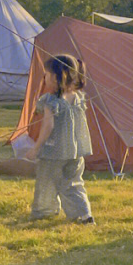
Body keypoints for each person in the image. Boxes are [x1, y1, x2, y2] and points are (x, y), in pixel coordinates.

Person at [27, 53, 96, 225]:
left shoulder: (49, 100)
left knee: (46, 182)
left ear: (58, 77)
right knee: (74, 184)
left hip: (53, 152)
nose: (45, 77)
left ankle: (44, 212)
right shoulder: (79, 97)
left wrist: (36, 148)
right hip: (76, 152)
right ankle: (83, 214)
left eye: (47, 74)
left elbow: (48, 126)